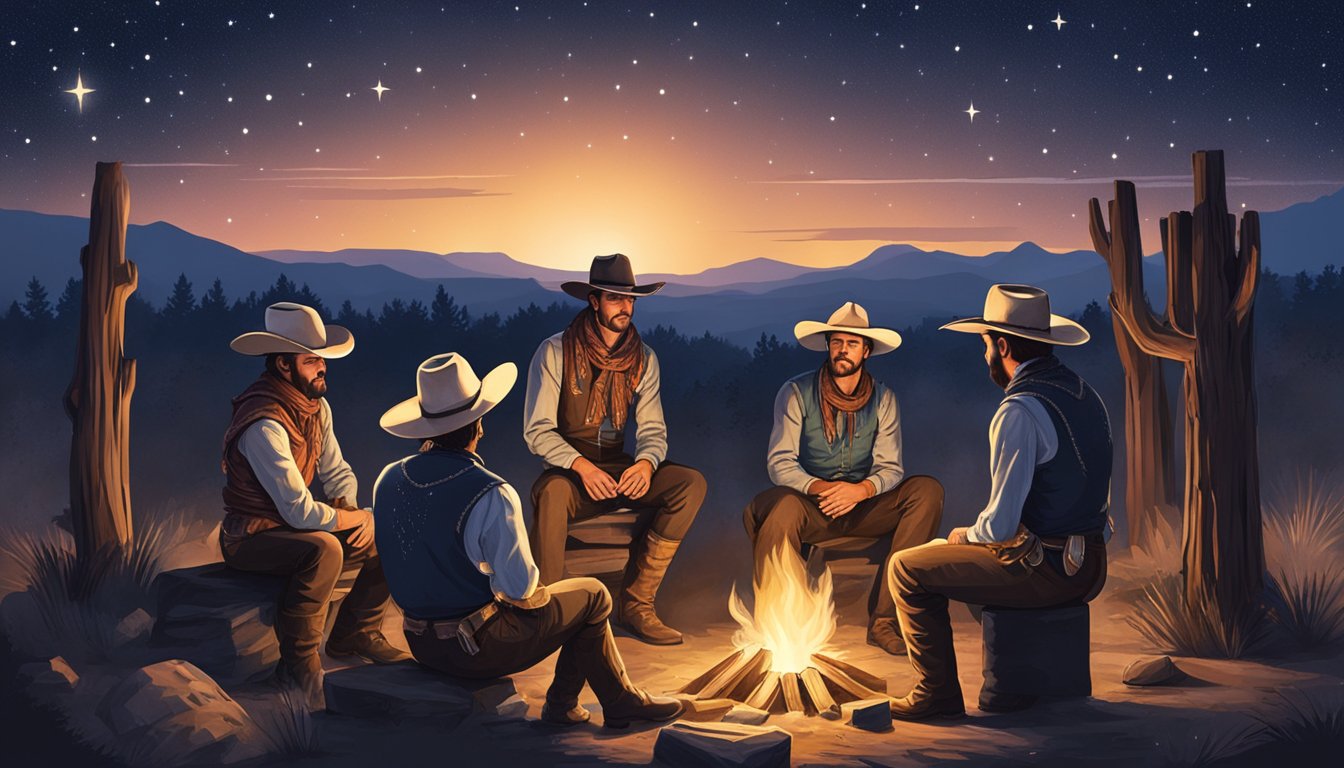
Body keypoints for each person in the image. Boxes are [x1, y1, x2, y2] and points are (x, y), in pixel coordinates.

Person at [372, 352, 686, 728]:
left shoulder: (386, 480)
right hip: (476, 649)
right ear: (478, 426)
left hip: (421, 645)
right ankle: (581, 704)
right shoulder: (490, 492)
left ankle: (588, 704)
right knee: (593, 596)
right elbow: (519, 588)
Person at [886, 284, 1112, 720]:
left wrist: (963, 536)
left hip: (1047, 572)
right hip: (1091, 567)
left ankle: (936, 695)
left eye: (986, 344)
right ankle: (1018, 682)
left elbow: (1000, 527)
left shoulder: (1020, 410)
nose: (984, 355)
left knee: (907, 568)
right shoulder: (1087, 396)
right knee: (948, 556)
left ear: (1002, 346)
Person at [220, 302, 408, 710]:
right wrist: (352, 519)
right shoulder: (263, 423)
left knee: (384, 529)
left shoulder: (316, 407)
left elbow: (337, 471)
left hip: (290, 526)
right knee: (324, 550)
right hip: (251, 537)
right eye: (311, 361)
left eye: (322, 359)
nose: (323, 368)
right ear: (284, 366)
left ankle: (357, 633)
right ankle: (299, 667)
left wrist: (352, 510)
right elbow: (297, 513)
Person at [523, 253, 706, 645]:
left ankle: (637, 605)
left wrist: (644, 463)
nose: (625, 307)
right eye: (614, 298)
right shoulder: (554, 352)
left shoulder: (645, 357)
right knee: (551, 494)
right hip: (570, 472)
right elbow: (537, 431)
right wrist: (582, 468)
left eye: (630, 299)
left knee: (689, 483)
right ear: (593, 301)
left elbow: (654, 430)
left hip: (621, 466)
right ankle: (550, 613)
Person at [743, 302, 944, 656]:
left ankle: (885, 621)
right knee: (781, 508)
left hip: (863, 507)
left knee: (926, 491)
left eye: (851, 344)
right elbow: (780, 463)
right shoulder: (795, 392)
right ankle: (776, 628)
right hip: (811, 505)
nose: (842, 351)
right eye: (836, 342)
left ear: (866, 351)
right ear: (827, 346)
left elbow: (891, 467)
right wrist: (823, 489)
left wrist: (861, 490)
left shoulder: (884, 399)